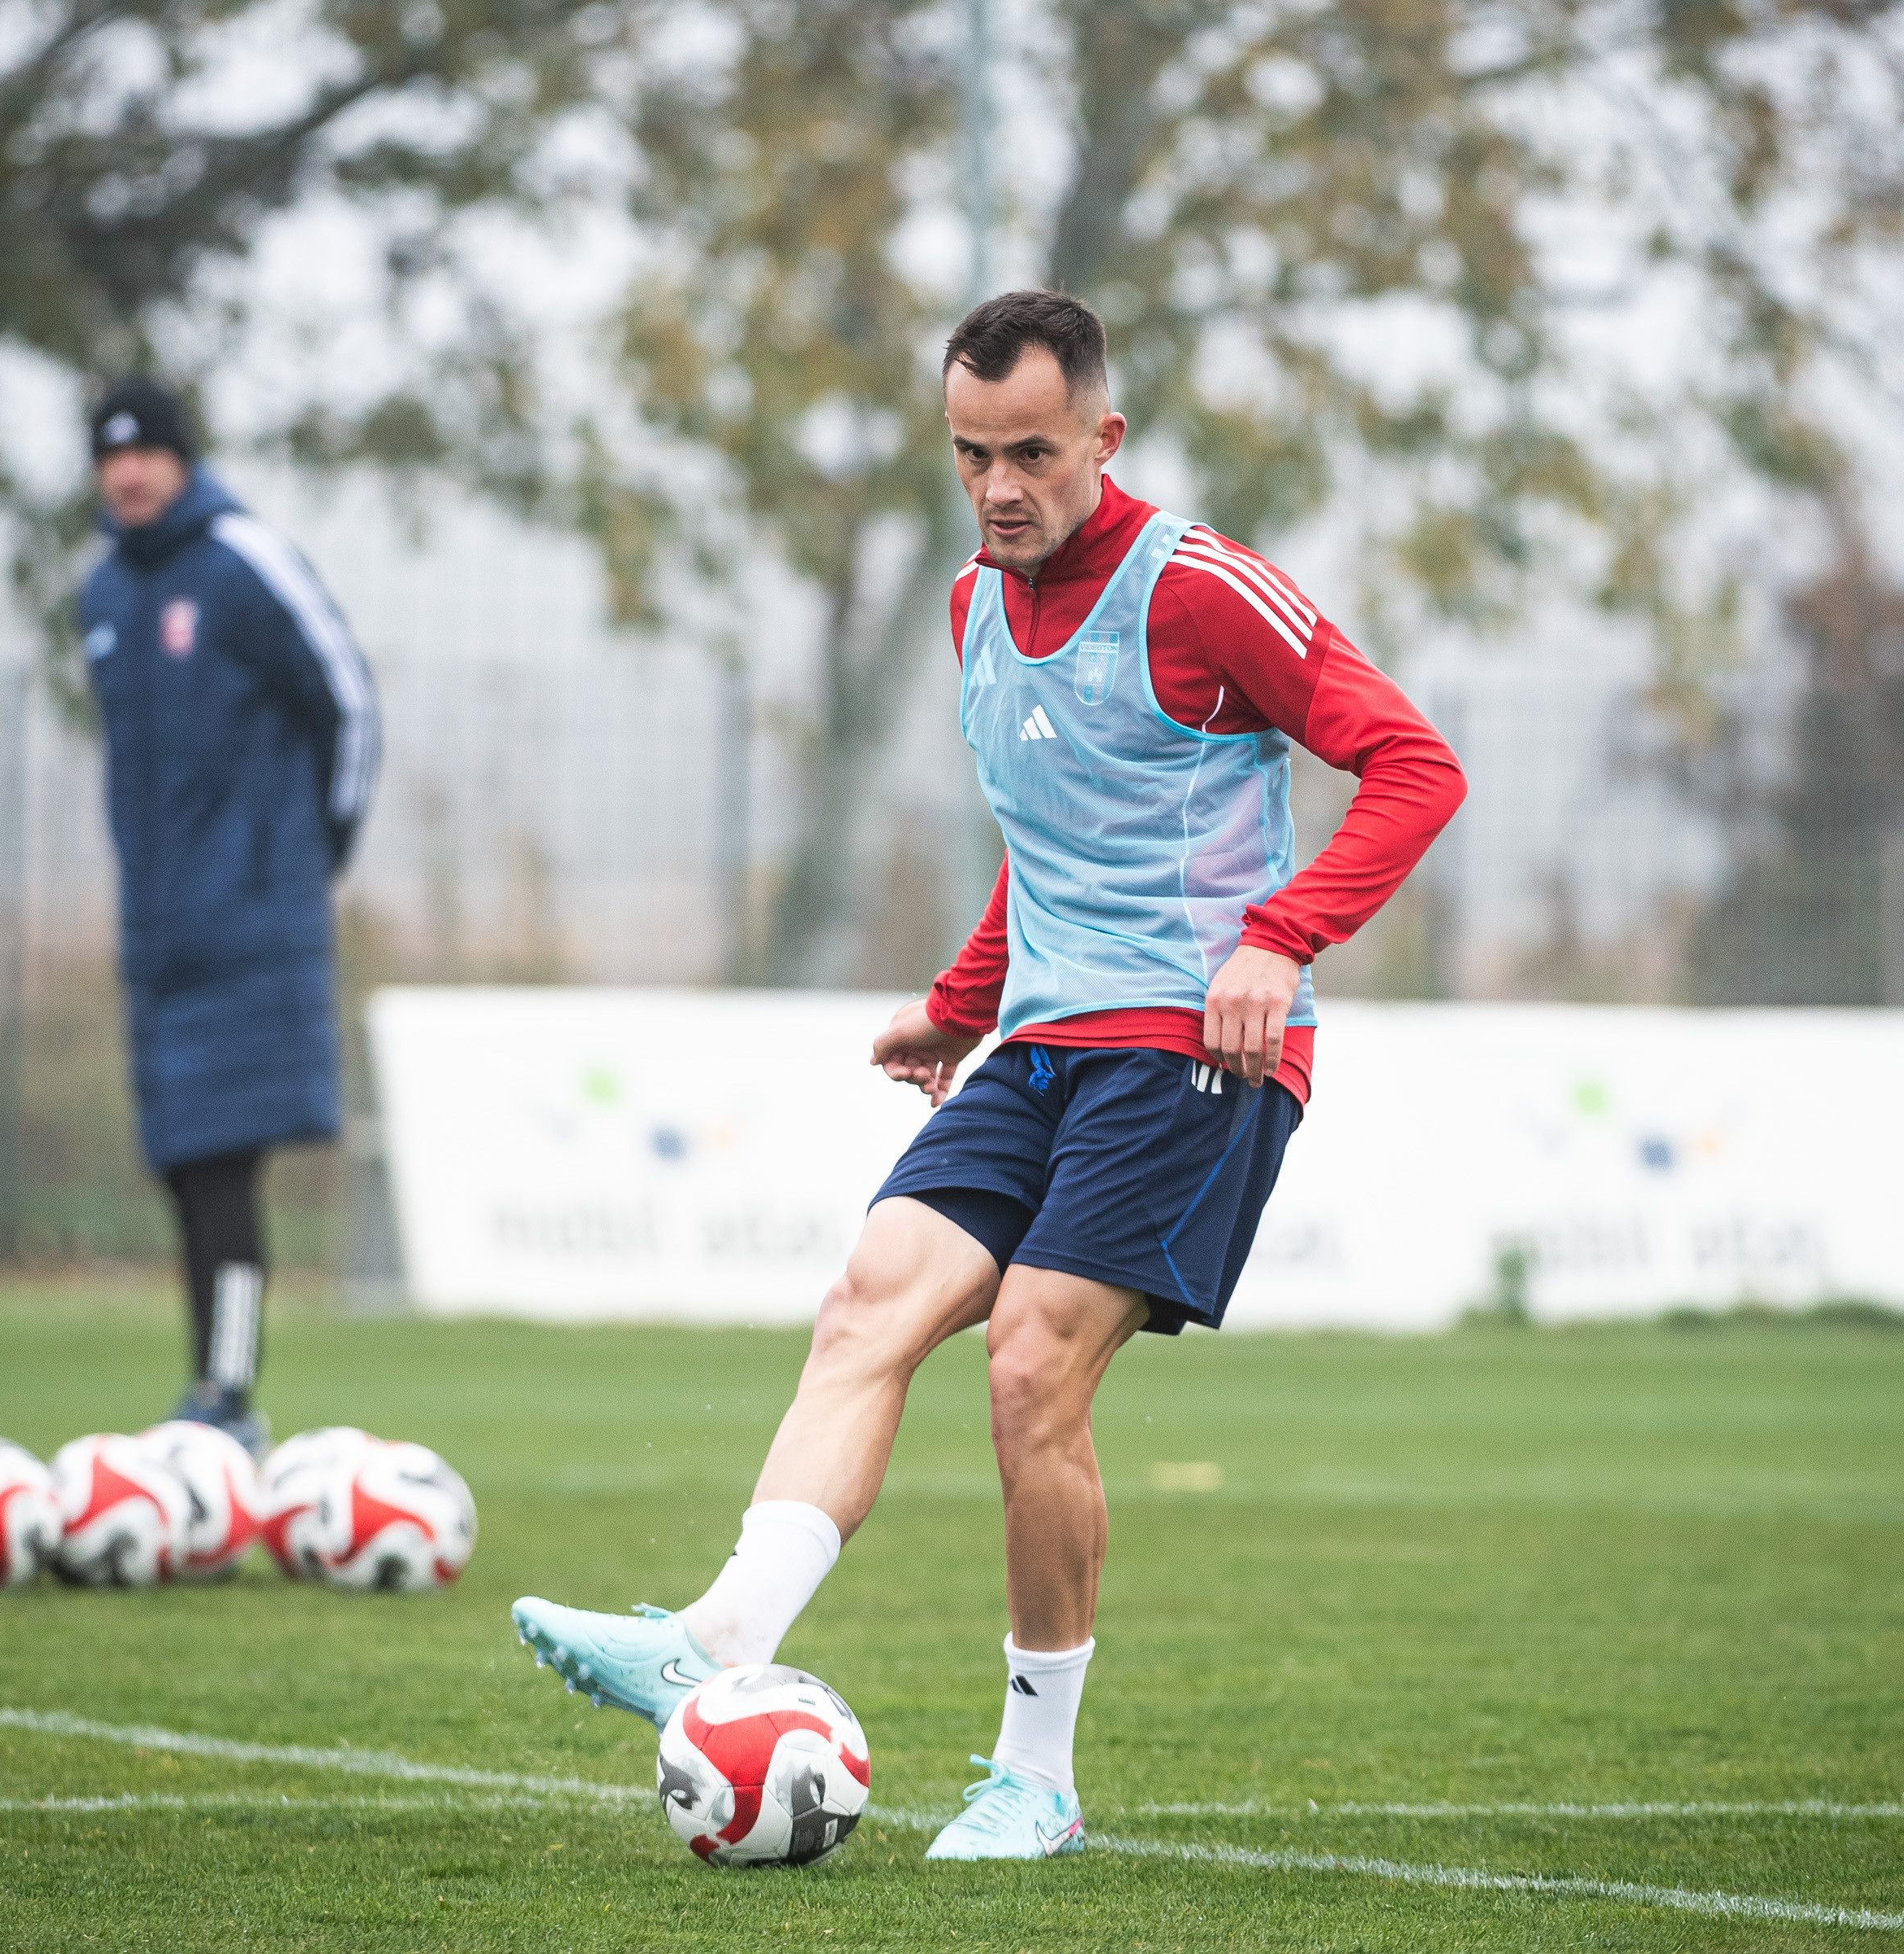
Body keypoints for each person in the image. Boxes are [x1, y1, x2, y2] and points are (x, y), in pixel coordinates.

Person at [510, 292, 1465, 1860]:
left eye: (1032, 452)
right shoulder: (972, 607)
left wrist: (1280, 939)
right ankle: (714, 1639)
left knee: (1028, 1366)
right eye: (972, 455)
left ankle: (1038, 1778)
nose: (1000, 486)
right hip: (1038, 1045)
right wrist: (960, 1005)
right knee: (868, 1303)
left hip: (1194, 1052)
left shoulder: (1201, 591)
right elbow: (1054, 843)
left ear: (1104, 436)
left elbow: (1415, 766)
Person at [78, 378, 379, 1455]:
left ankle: (229, 1393)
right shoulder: (102, 593)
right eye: (110, 456)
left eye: (147, 451)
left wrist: (309, 857)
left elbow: (348, 702)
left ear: (182, 460)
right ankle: (213, 1389)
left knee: (225, 1164)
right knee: (182, 1164)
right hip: (160, 938)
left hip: (253, 922)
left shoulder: (243, 562)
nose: (128, 472)